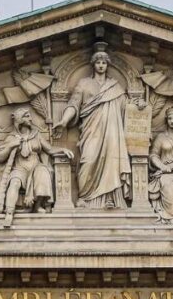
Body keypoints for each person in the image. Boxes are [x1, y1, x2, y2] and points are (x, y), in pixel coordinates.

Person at [51, 44, 136, 209]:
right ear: (93, 64)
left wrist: (139, 106)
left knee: (112, 161)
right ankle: (85, 197)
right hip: (91, 131)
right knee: (87, 160)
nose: (101, 65)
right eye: (98, 62)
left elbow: (126, 108)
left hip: (112, 133)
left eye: (104, 62)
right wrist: (64, 121)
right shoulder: (84, 84)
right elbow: (73, 105)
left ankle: (111, 197)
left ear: (107, 64)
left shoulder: (115, 86)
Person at [0, 108, 73, 225]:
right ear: (20, 119)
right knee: (15, 182)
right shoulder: (11, 137)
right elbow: (0, 158)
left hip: (36, 165)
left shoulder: (36, 135)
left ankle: (37, 206)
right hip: (19, 168)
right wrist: (10, 146)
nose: (30, 118)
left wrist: (63, 149)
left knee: (43, 174)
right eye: (27, 116)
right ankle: (9, 213)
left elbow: (50, 149)